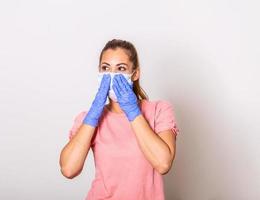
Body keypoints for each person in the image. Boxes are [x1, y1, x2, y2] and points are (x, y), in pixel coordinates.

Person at [59, 39, 180, 200]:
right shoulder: (88, 119)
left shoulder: (159, 110)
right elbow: (68, 169)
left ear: (135, 74)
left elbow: (163, 164)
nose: (112, 76)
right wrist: (94, 112)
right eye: (106, 68)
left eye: (121, 69)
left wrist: (133, 111)